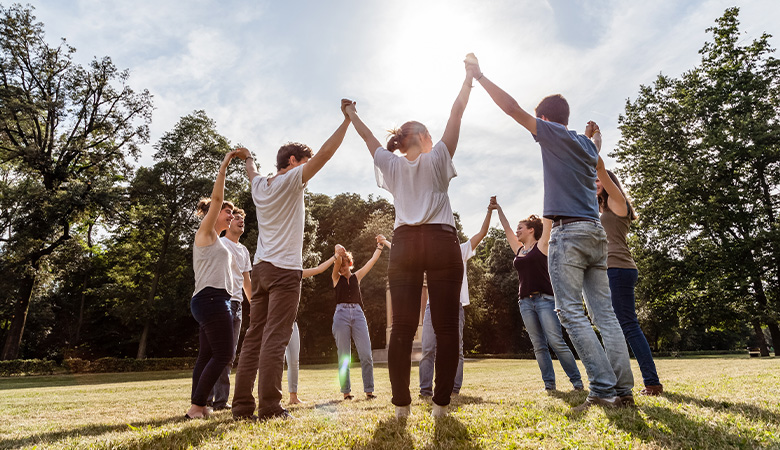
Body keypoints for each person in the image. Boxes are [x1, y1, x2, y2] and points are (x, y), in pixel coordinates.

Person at [466, 53, 633, 411]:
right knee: (605, 315)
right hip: (595, 233)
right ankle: (623, 390)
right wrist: (594, 134)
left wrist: (480, 77)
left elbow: (512, 108)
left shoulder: (552, 134)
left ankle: (603, 388)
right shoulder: (587, 146)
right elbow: (598, 146)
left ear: (543, 119)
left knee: (570, 312)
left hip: (568, 233)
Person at [343, 63, 473, 418]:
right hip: (441, 240)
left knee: (400, 326)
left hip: (405, 244)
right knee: (447, 328)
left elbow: (369, 140)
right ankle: (441, 405)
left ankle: (401, 405)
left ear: (402, 142)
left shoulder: (393, 163)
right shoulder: (438, 157)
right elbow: (456, 112)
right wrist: (467, 80)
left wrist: (352, 113)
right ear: (426, 136)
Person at [231, 100, 352, 421]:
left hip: (260, 270)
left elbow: (252, 171)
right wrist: (347, 120)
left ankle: (241, 406)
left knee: (255, 335)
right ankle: (269, 406)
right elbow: (326, 155)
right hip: (284, 271)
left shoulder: (260, 186)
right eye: (305, 163)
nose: (309, 170)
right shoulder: (291, 180)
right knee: (275, 336)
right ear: (294, 161)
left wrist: (248, 157)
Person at [594, 138, 662, 396]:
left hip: (619, 269)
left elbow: (600, 171)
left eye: (599, 181)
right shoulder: (603, 210)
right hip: (610, 270)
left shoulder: (618, 204)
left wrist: (594, 146)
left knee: (628, 324)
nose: (595, 184)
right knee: (616, 325)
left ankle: (652, 382)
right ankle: (618, 377)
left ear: (610, 184)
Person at [493, 198, 584, 392]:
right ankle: (549, 385)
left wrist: (553, 194)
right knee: (539, 346)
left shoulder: (542, 246)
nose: (517, 231)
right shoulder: (519, 250)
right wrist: (498, 209)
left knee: (556, 341)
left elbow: (547, 222)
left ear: (531, 230)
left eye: (521, 228)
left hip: (545, 300)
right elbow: (507, 228)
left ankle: (577, 382)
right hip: (525, 303)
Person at [419, 199, 494, 398]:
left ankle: (453, 389)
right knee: (427, 348)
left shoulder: (460, 250)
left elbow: (482, 233)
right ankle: (425, 390)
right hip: (431, 305)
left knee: (456, 349)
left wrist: (489, 211)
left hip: (455, 305)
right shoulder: (430, 255)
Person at [187, 150, 238, 419]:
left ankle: (200, 404)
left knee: (207, 354)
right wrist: (224, 165)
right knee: (224, 353)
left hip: (211, 300)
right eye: (226, 212)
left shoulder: (217, 241)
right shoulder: (205, 231)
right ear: (211, 214)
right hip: (211, 299)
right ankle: (197, 405)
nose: (230, 215)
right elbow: (217, 199)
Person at [331, 236, 388, 400]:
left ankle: (369, 391)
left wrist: (380, 245)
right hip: (341, 315)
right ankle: (346, 392)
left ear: (349, 264)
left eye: (344, 265)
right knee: (344, 356)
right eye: (339, 266)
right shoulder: (336, 278)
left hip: (358, 314)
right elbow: (336, 261)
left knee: (366, 355)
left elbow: (372, 261)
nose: (341, 268)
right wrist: (338, 250)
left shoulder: (357, 277)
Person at [207, 208, 252, 411]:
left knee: (229, 355)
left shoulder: (243, 251)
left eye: (243, 219)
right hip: (220, 302)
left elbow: (246, 281)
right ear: (229, 221)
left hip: (237, 305)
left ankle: (220, 401)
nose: (241, 221)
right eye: (237, 218)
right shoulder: (220, 243)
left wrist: (254, 305)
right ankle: (206, 399)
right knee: (216, 353)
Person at [285, 254, 337, 405]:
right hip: (275, 323)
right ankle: (270, 397)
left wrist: (334, 256)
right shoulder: (274, 273)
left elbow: (319, 269)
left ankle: (293, 397)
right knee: (276, 360)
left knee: (294, 360)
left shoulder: (297, 273)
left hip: (292, 323)